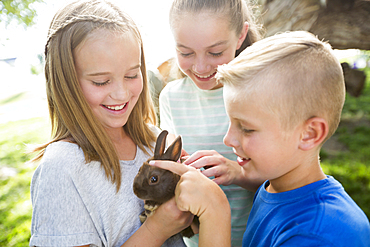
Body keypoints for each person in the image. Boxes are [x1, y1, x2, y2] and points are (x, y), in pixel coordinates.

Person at [151, 31, 370, 246]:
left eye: (246, 129)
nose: (228, 139)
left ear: (309, 134)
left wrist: (214, 212)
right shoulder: (271, 188)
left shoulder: (320, 234)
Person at [29, 0, 192, 246]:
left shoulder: (152, 139)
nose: (121, 94)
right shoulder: (62, 168)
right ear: (66, 82)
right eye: (101, 81)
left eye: (131, 75)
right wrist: (156, 229)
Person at [158, 0, 264, 245]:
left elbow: (286, 178)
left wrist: (238, 173)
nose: (201, 67)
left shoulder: (260, 92)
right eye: (185, 53)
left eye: (215, 52)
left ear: (240, 37)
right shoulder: (172, 97)